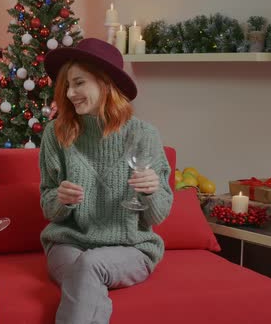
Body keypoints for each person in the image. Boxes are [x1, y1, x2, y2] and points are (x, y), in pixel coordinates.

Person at [39, 38, 173, 324]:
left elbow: (158, 214)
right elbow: (48, 208)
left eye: (79, 83)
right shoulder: (56, 134)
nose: (70, 93)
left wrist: (151, 192)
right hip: (68, 245)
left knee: (90, 266)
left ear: (105, 83)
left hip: (131, 249)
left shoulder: (143, 134)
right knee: (85, 271)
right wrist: (59, 199)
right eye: (67, 85)